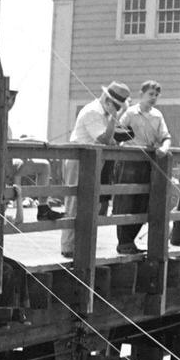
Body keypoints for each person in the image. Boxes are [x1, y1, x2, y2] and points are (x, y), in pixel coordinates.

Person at [59, 81, 130, 259]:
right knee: (74, 202)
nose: (116, 108)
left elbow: (112, 141)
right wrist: (114, 119)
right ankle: (68, 246)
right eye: (115, 105)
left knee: (92, 203)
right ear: (107, 99)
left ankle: (82, 244)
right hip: (79, 159)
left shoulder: (105, 114)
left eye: (119, 106)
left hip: (94, 162)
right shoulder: (93, 111)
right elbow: (105, 139)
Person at [114, 80, 173, 254]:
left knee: (143, 201)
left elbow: (166, 136)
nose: (153, 98)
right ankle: (123, 241)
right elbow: (118, 132)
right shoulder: (131, 113)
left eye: (156, 95)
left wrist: (164, 148)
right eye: (150, 94)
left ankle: (130, 240)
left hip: (148, 162)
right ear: (141, 94)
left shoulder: (157, 115)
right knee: (126, 200)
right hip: (130, 161)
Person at [6, 88, 63, 223]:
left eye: (13, 99)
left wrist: (32, 140)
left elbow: (11, 143)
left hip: (8, 162)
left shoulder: (5, 120)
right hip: (2, 165)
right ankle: (42, 208)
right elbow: (10, 143)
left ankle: (43, 208)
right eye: (9, 98)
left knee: (43, 166)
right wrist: (33, 140)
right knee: (42, 165)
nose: (11, 102)